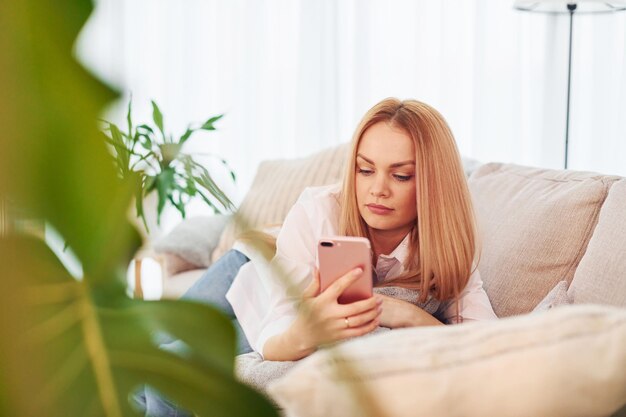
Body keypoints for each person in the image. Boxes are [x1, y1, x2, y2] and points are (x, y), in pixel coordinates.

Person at [140, 98, 497, 415]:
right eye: (365, 169)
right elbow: (279, 323)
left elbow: (487, 346)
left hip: (285, 302)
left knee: (156, 376)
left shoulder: (450, 246)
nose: (377, 189)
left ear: (433, 183)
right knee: (141, 351)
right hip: (254, 272)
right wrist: (304, 332)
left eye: (401, 175)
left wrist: (404, 313)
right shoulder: (318, 211)